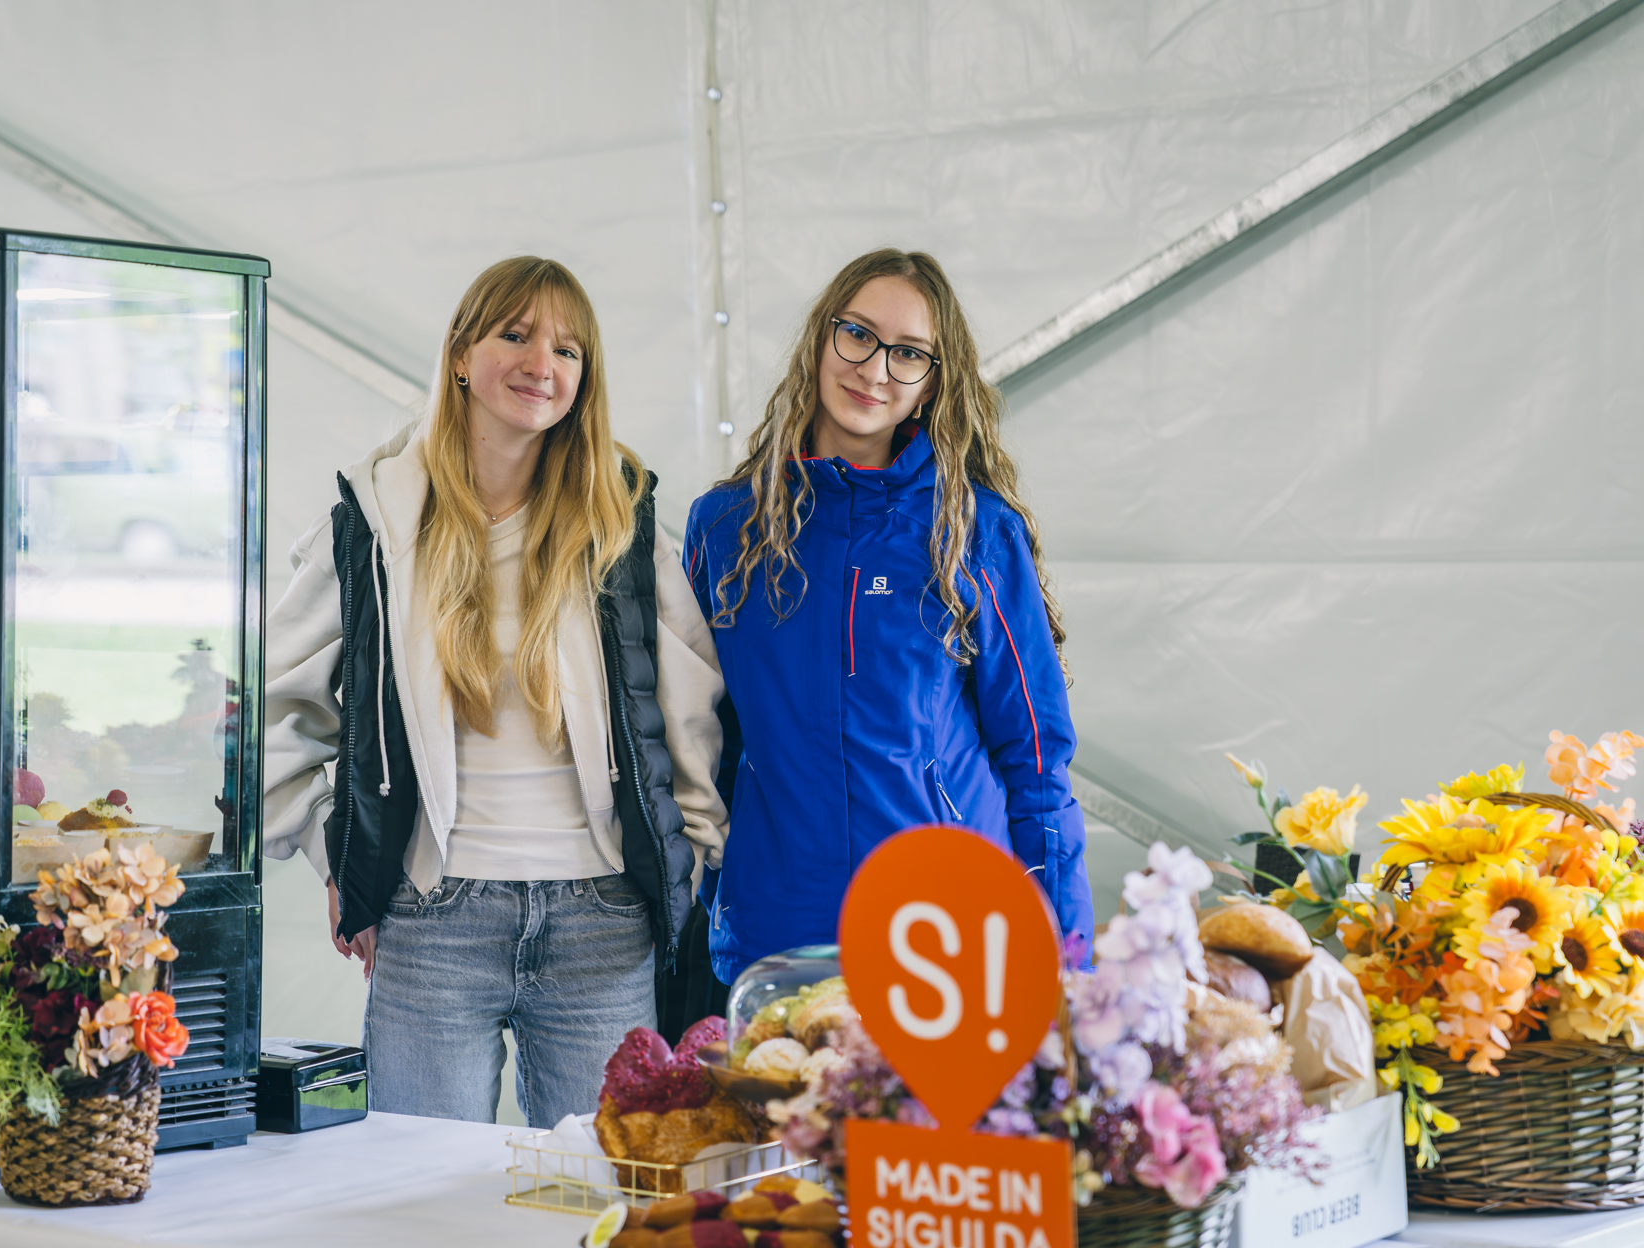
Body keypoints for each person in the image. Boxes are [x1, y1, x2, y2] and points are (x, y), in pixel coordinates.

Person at [263, 257, 728, 1127]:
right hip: (431, 919)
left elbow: (689, 711)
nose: (541, 363)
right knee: (417, 1192)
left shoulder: (621, 519)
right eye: (515, 334)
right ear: (460, 355)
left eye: (567, 349)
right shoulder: (374, 520)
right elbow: (275, 708)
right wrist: (340, 857)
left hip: (603, 922)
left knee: (599, 1188)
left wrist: (696, 861)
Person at [683, 248, 1091, 986]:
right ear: (821, 339)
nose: (875, 369)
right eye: (858, 334)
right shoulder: (725, 527)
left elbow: (1035, 757)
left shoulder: (972, 530)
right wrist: (716, 894)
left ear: (933, 383)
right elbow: (700, 741)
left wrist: (1066, 960)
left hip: (947, 931)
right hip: (778, 933)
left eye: (908, 353)